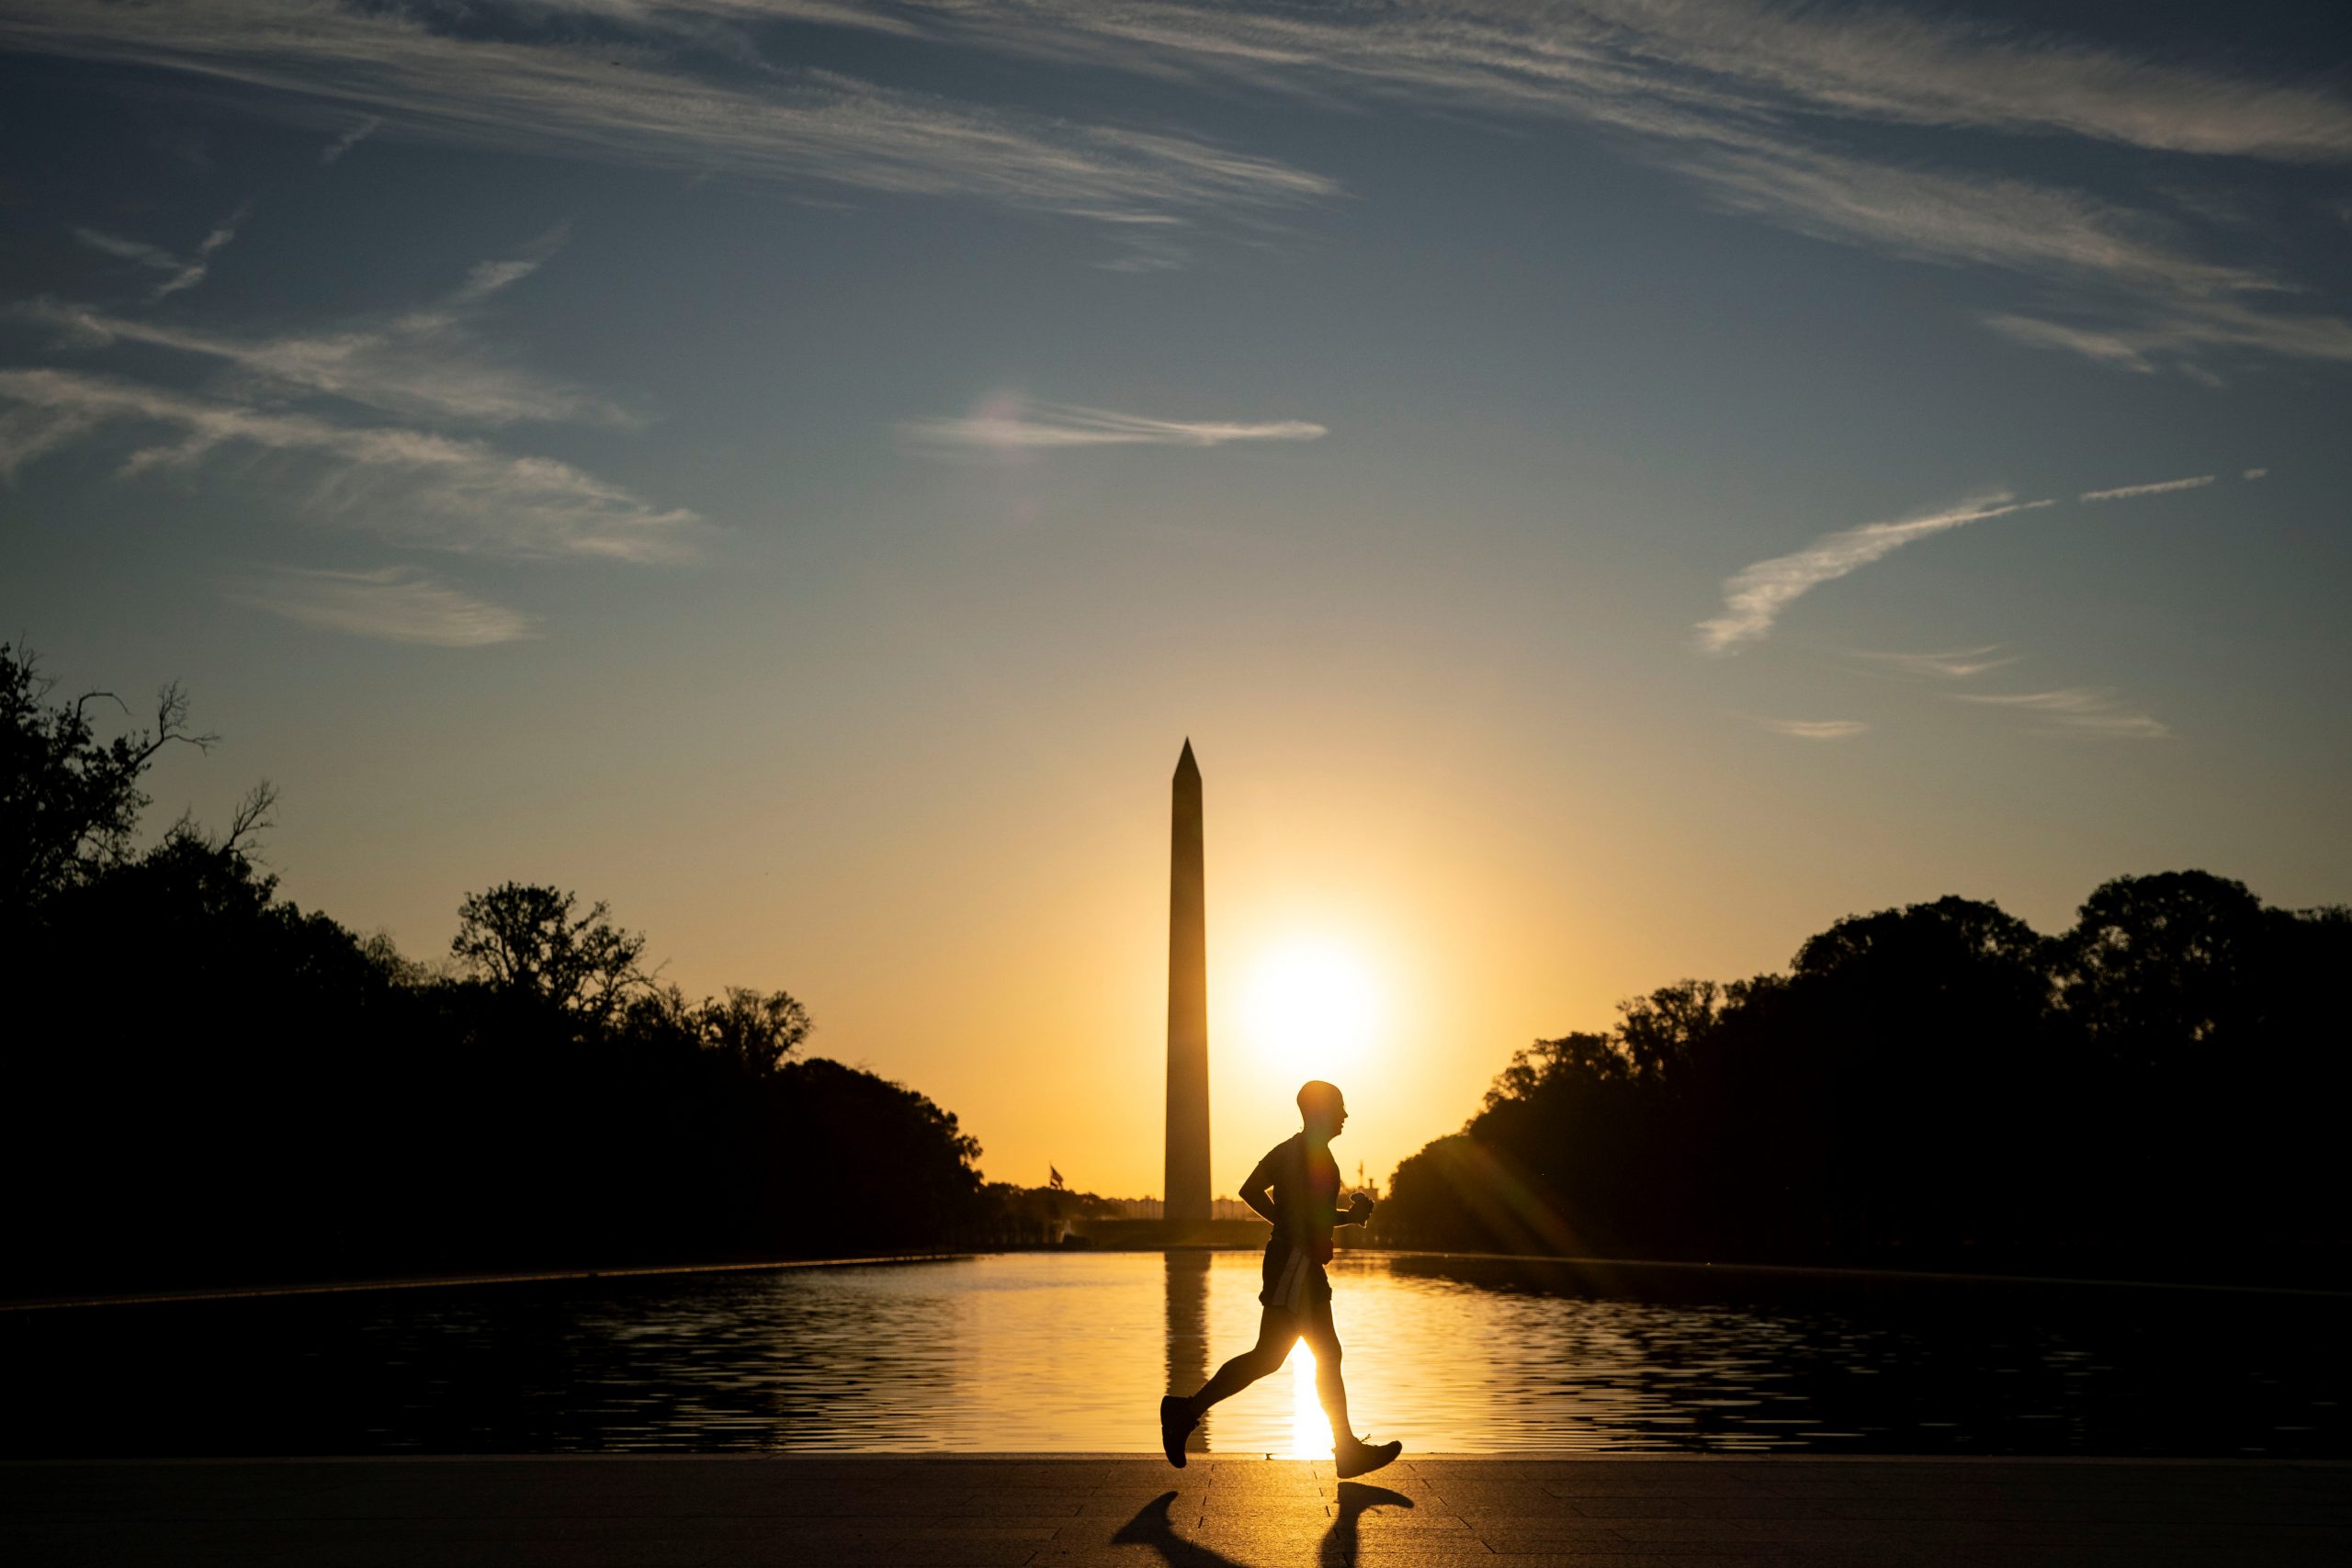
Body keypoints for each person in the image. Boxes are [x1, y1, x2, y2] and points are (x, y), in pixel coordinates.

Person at [1159, 1079, 1401, 1477]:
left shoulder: (1293, 1150)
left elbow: (1261, 1195)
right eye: (1339, 1107)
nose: (1345, 1115)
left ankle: (1186, 1412)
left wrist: (1341, 1219)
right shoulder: (1310, 1155)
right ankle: (1185, 1411)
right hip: (1295, 1265)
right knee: (1291, 1355)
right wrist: (1294, 1230)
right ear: (1321, 1112)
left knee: (1294, 1356)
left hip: (1297, 1262)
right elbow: (1276, 1205)